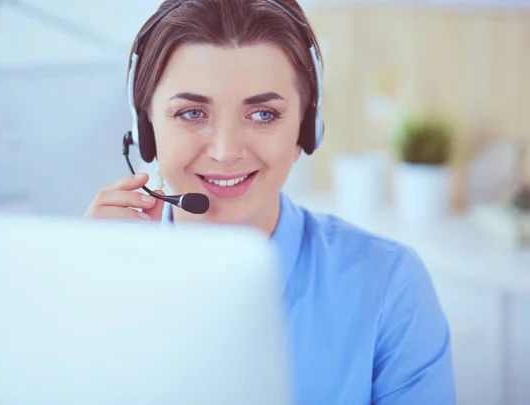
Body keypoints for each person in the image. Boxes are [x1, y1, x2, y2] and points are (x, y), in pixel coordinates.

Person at [84, 0, 457, 403]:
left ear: (306, 129)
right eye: (192, 113)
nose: (226, 151)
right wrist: (80, 298)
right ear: (146, 130)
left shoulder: (389, 284)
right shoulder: (99, 278)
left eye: (263, 114)